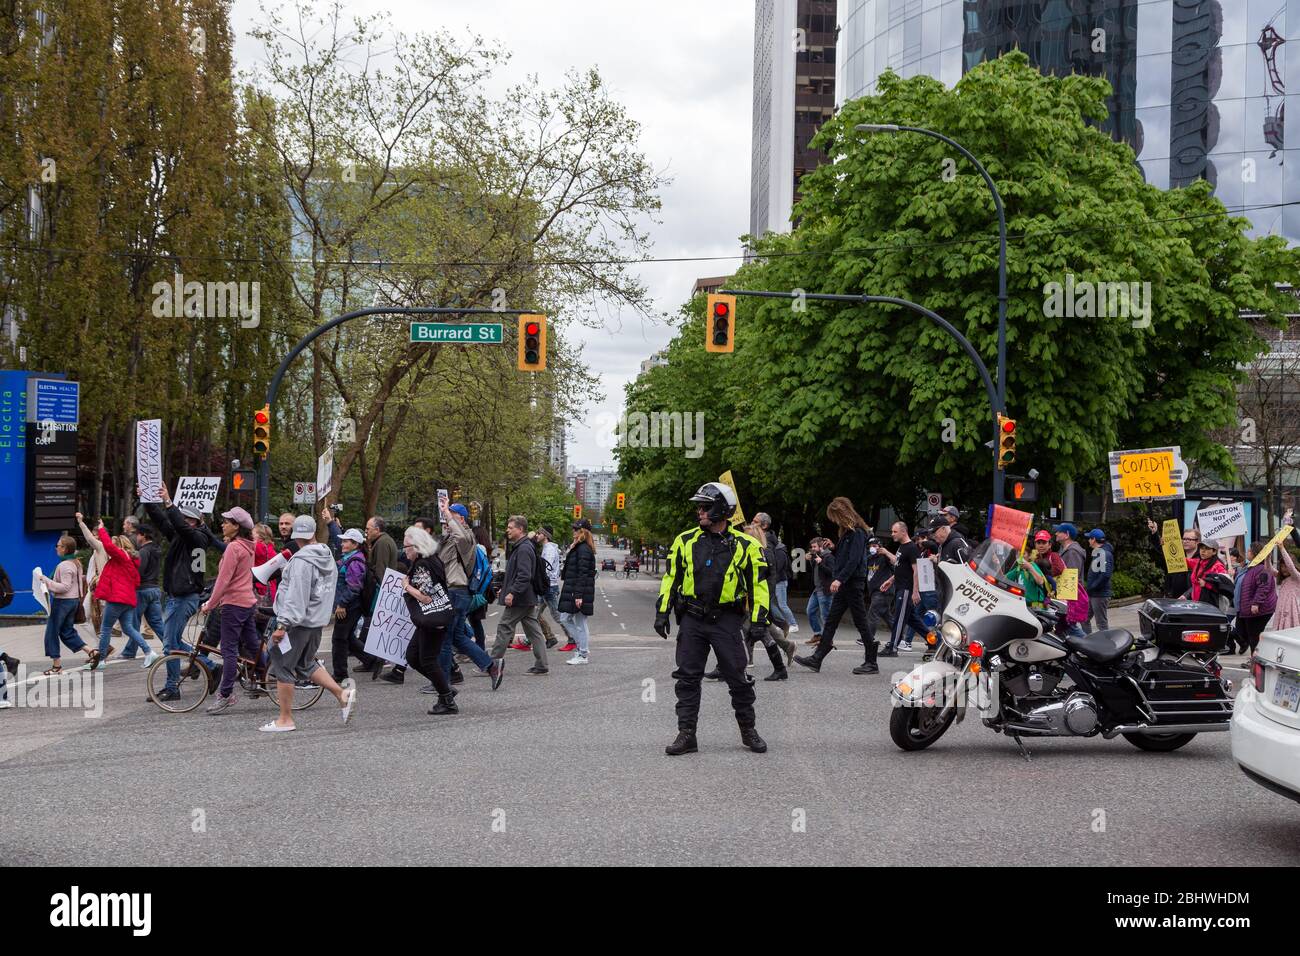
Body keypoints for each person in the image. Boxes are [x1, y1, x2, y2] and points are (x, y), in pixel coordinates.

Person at [655, 481, 770, 755]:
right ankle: (686, 734)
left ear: (721, 509)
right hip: (693, 619)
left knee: (738, 678)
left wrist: (758, 621)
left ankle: (748, 730)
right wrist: (662, 612)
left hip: (727, 620)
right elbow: (671, 577)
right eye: (699, 508)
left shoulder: (746, 545)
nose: (700, 513)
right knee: (687, 678)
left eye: (705, 507)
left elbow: (759, 585)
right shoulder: (685, 541)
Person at [261, 514, 357, 732]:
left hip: (298, 623)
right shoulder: (326, 556)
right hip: (315, 622)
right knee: (305, 664)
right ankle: (342, 694)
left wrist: (282, 626)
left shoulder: (301, 561)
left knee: (282, 664)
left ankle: (285, 719)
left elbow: (297, 596)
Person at [142, 483, 225, 702]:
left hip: (184, 597)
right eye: (184, 517)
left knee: (170, 645)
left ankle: (173, 687)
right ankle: (209, 666)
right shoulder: (182, 537)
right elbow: (163, 521)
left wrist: (170, 503)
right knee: (175, 643)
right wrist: (149, 500)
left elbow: (180, 525)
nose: (184, 521)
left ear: (197, 522)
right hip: (178, 597)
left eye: (188, 518)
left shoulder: (198, 537)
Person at [794, 497, 877, 674]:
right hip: (847, 583)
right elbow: (845, 556)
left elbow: (854, 560)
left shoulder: (857, 532)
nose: (833, 521)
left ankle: (871, 662)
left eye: (834, 517)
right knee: (831, 621)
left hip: (852, 583)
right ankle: (817, 659)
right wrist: (834, 548)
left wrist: (839, 579)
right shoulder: (849, 532)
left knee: (860, 621)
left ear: (841, 514)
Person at [432, 502, 499, 691]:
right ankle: (491, 666)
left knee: (446, 639)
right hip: (453, 592)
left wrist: (448, 515)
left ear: (461, 518)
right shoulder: (450, 537)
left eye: (451, 515)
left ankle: (443, 684)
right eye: (446, 515)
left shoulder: (466, 536)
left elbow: (460, 535)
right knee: (457, 637)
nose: (447, 518)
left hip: (456, 591)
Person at [201, 507, 260, 715]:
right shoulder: (248, 546)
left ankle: (225, 695)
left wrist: (210, 603)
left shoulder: (234, 548)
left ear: (237, 526)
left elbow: (223, 580)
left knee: (228, 651)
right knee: (253, 644)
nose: (222, 524)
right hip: (247, 602)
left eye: (227, 522)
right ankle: (273, 675)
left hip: (233, 604)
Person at [397, 525, 461, 715]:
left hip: (432, 618)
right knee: (413, 657)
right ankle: (445, 688)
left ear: (416, 547)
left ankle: (448, 700)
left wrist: (406, 586)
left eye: (406, 547)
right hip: (431, 619)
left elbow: (426, 597)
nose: (404, 551)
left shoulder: (423, 565)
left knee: (427, 660)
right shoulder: (432, 560)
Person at [76, 512, 148, 665]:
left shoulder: (115, 554)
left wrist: (86, 524)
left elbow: (96, 540)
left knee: (104, 626)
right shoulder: (126, 558)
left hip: (110, 594)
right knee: (123, 627)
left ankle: (101, 656)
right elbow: (136, 580)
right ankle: (148, 650)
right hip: (116, 594)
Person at [490, 515, 548, 677]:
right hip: (526, 596)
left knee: (504, 627)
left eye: (511, 528)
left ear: (520, 529)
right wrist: (506, 588)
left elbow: (524, 575)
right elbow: (516, 574)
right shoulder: (523, 546)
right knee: (534, 631)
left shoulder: (523, 548)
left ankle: (492, 664)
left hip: (520, 598)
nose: (507, 530)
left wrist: (512, 592)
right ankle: (542, 664)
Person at [35, 535, 97, 674]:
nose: (56, 548)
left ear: (64, 548)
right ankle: (91, 651)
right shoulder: (75, 563)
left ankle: (56, 666)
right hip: (73, 601)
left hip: (63, 602)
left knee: (52, 632)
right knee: (66, 631)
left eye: (58, 545)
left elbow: (64, 587)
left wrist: (45, 580)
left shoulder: (65, 565)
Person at [878, 521, 926, 659]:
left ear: (903, 532)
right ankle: (934, 641)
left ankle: (893, 647)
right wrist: (890, 580)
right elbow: (899, 565)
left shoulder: (911, 548)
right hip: (900, 586)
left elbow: (916, 571)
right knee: (912, 620)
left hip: (906, 589)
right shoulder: (902, 547)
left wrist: (915, 591)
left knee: (899, 618)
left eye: (894, 531)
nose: (892, 534)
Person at [330, 528, 369, 682]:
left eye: (345, 541)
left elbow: (354, 587)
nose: (342, 544)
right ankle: (372, 660)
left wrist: (342, 604)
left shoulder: (355, 561)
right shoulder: (351, 558)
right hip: (352, 606)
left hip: (349, 607)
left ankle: (340, 674)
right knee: (348, 638)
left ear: (355, 544)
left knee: (338, 639)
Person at [124, 523, 164, 668]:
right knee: (157, 623)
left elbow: (138, 572)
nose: (136, 537)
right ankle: (172, 646)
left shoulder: (144, 551)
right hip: (155, 589)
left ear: (143, 535)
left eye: (138, 534)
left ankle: (129, 651)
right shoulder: (157, 549)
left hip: (142, 590)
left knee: (133, 621)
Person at [558, 518, 597, 664]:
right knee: (566, 618)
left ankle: (582, 653)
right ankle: (582, 648)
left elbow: (583, 573)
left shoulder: (583, 549)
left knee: (579, 622)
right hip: (575, 589)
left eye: (575, 529)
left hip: (579, 591)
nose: (573, 531)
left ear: (582, 532)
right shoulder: (579, 547)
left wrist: (579, 594)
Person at [757, 513, 798, 634]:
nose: (752, 524)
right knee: (772, 604)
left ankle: (792, 623)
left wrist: (771, 578)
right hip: (775, 580)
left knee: (782, 604)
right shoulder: (769, 543)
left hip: (779, 581)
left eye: (755, 521)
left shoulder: (778, 548)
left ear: (764, 525)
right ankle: (781, 623)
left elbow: (778, 567)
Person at [1235, 544, 1277, 657]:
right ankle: (1255, 659)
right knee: (1249, 634)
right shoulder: (1251, 567)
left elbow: (1263, 587)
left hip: (1259, 609)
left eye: (1249, 551)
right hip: (1248, 608)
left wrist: (1256, 603)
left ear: (1255, 554)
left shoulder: (1262, 569)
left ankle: (1256, 660)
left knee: (1254, 635)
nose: (1247, 552)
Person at [1147, 517, 1196, 599]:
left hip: (1191, 599)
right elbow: (1160, 548)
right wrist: (1155, 532)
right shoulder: (1176, 552)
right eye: (1184, 539)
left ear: (1197, 541)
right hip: (1172, 597)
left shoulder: (1202, 558)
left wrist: (1186, 595)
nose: (1185, 541)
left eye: (1189, 539)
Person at [1270, 515, 1300, 631]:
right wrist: (1290, 526)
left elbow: (1291, 567)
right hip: (1283, 607)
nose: (1283, 569)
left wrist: (1282, 548)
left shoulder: (1295, 574)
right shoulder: (1287, 575)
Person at [1084, 528, 1114, 633]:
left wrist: (1092, 586)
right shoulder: (1099, 552)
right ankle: (1088, 642)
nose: (1088, 541)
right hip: (1094, 593)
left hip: (1099, 594)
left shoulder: (1103, 553)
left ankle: (1107, 647)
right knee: (1084, 618)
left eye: (1089, 538)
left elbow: (1105, 575)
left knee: (1101, 624)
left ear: (1093, 540)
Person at [805, 537, 834, 645]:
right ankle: (818, 634)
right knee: (810, 611)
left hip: (825, 590)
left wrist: (821, 563)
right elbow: (815, 571)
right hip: (817, 589)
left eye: (814, 547)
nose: (812, 549)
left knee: (825, 615)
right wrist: (811, 560)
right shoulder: (817, 556)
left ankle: (828, 639)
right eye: (811, 547)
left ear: (820, 546)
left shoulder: (828, 556)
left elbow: (831, 572)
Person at [1187, 539, 1226, 604]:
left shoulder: (1218, 566)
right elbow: (1178, 560)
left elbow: (1224, 585)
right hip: (1196, 604)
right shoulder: (1197, 562)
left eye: (1207, 548)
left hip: (1210, 606)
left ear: (1214, 552)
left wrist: (1206, 584)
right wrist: (1166, 545)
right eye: (1201, 548)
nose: (1203, 551)